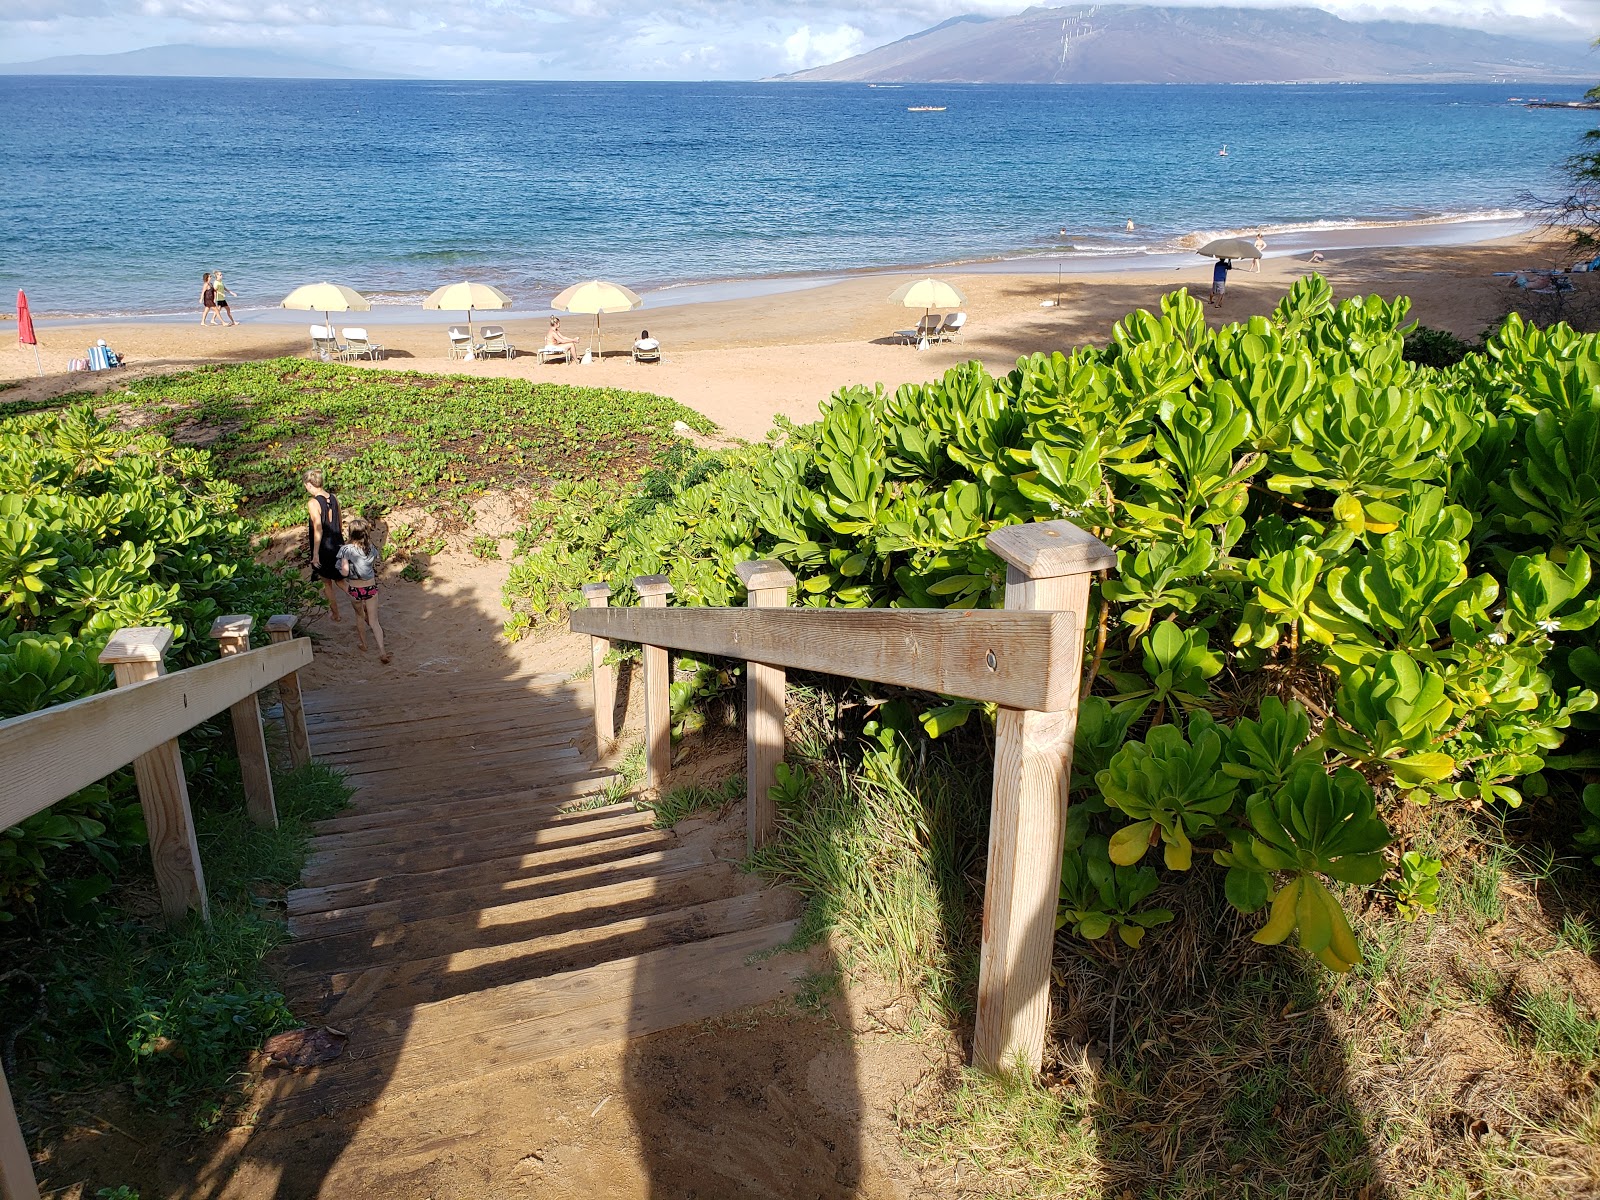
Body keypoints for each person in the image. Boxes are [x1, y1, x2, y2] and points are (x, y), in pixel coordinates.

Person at [337, 518, 389, 663]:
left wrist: (342, 570)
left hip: (355, 589)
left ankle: (364, 644)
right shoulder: (371, 548)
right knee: (374, 621)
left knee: (360, 616)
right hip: (370, 588)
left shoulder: (346, 550)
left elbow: (345, 572)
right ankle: (382, 651)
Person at [304, 469, 346, 622]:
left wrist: (315, 554)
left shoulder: (313, 503)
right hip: (337, 542)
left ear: (309, 485)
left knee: (327, 582)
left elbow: (318, 528)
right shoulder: (334, 498)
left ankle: (336, 614)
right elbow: (340, 523)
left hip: (324, 546)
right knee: (340, 580)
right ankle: (359, 600)